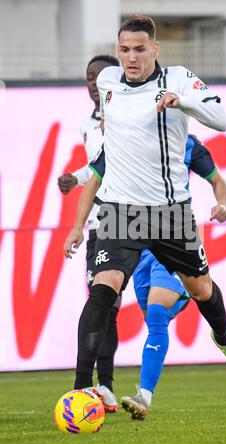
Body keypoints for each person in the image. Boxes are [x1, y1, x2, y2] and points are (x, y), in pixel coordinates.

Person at [64, 15, 226, 420]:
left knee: (202, 290)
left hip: (170, 214)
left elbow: (221, 120)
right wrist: (80, 220)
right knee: (103, 291)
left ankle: (224, 339)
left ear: (155, 49)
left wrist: (181, 101)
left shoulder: (179, 78)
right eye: (124, 50)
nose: (131, 58)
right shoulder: (108, 83)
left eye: (139, 49)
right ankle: (82, 390)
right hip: (119, 212)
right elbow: (104, 160)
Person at [85, 135, 226, 419]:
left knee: (155, 314)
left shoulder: (186, 143)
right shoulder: (128, 139)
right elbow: (94, 176)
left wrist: (222, 203)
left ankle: (145, 396)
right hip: (139, 245)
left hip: (173, 238)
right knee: (153, 316)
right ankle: (186, 298)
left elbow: (217, 180)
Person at [58, 55, 120, 413]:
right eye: (88, 77)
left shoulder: (134, 113)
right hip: (102, 223)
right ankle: (98, 386)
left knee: (155, 302)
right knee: (103, 303)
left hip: (139, 218)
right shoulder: (87, 123)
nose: (93, 82)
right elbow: (98, 165)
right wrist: (75, 178)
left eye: (98, 76)